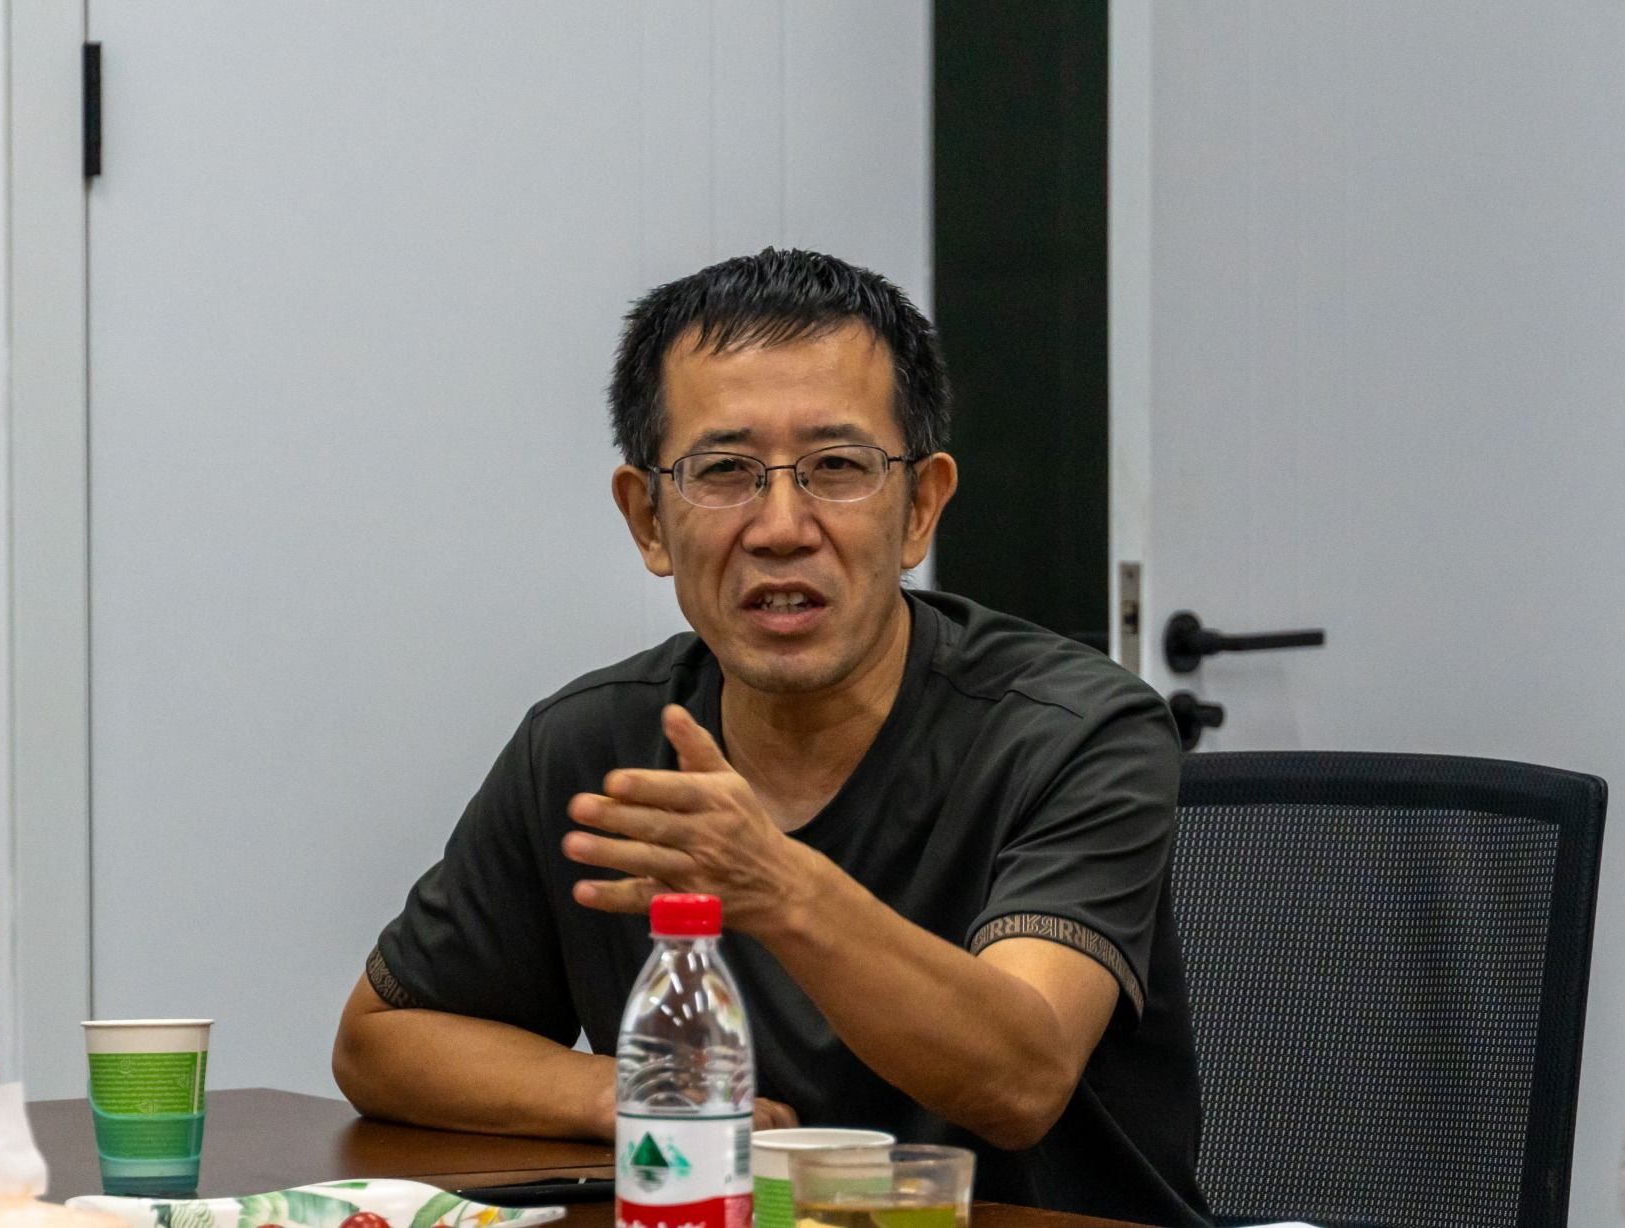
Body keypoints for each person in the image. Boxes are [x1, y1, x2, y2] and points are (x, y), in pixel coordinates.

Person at [332, 249, 1207, 1225]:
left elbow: (1020, 1077)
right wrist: (646, 1092)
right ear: (648, 519)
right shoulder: (596, 746)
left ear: (919, 507)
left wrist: (778, 886)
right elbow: (385, 1039)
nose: (782, 526)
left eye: (837, 468)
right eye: (724, 472)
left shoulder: (1077, 732)